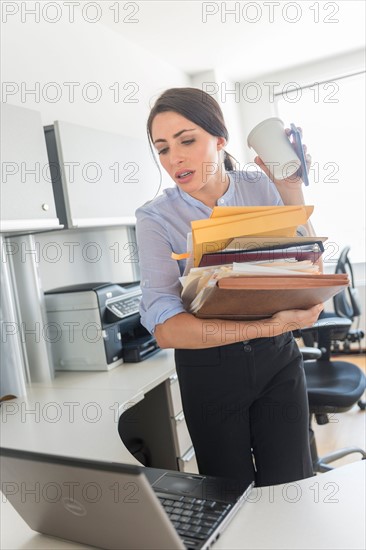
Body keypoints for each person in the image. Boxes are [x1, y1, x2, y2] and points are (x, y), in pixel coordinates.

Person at [135, 87, 323, 487]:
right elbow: (167, 330)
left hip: (278, 363)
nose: (175, 159)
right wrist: (269, 326)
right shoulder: (156, 218)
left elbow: (309, 273)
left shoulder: (261, 187)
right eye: (163, 148)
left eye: (187, 140)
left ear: (219, 139)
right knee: (229, 497)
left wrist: (290, 189)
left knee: (292, 486)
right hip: (209, 370)